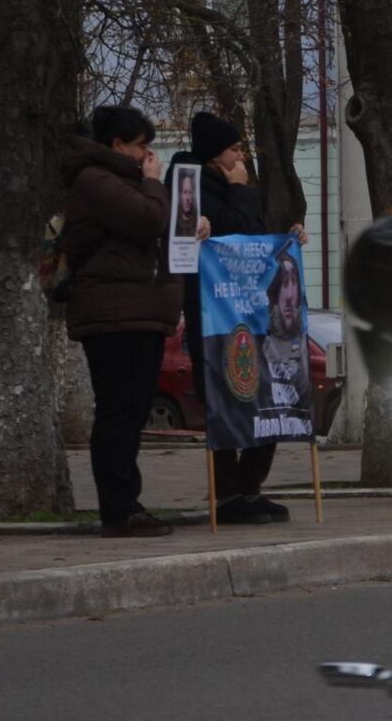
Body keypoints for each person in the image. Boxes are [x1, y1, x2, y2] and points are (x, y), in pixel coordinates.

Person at [62, 105, 200, 537]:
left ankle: (127, 503)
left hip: (138, 310)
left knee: (131, 411)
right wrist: (155, 183)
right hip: (116, 314)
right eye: (141, 146)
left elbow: (156, 226)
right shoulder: (95, 179)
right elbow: (148, 220)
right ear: (117, 145)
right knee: (119, 412)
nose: (147, 155)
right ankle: (120, 509)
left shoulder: (121, 182)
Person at [171, 111, 305, 523]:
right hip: (213, 311)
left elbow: (254, 241)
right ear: (215, 154)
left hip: (250, 307)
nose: (241, 155)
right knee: (224, 394)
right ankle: (228, 494)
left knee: (269, 392)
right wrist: (239, 190)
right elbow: (233, 231)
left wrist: (288, 239)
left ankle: (250, 488)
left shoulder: (235, 186)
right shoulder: (191, 186)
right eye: (233, 148)